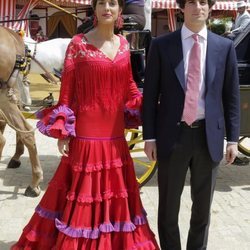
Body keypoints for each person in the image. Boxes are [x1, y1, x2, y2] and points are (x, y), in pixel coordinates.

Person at [11, 0, 159, 249]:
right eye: (102, 3)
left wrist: (149, 105)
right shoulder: (78, 44)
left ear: (120, 10)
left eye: (112, 3)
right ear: (95, 8)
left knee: (114, 196)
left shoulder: (124, 45)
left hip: (114, 137)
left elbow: (129, 86)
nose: (107, 8)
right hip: (86, 136)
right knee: (81, 199)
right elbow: (66, 92)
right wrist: (63, 130)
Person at [142, 0, 240, 249]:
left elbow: (231, 97)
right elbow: (150, 95)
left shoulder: (224, 47)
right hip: (172, 137)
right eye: (192, 2)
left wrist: (232, 140)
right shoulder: (162, 45)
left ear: (210, 7)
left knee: (202, 212)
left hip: (209, 138)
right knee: (167, 210)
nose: (198, 7)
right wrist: (150, 137)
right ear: (181, 7)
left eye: (203, 2)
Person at [77, 0, 145, 34]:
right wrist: (91, 18)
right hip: (112, 18)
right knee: (82, 29)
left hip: (132, 20)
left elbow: (139, 18)